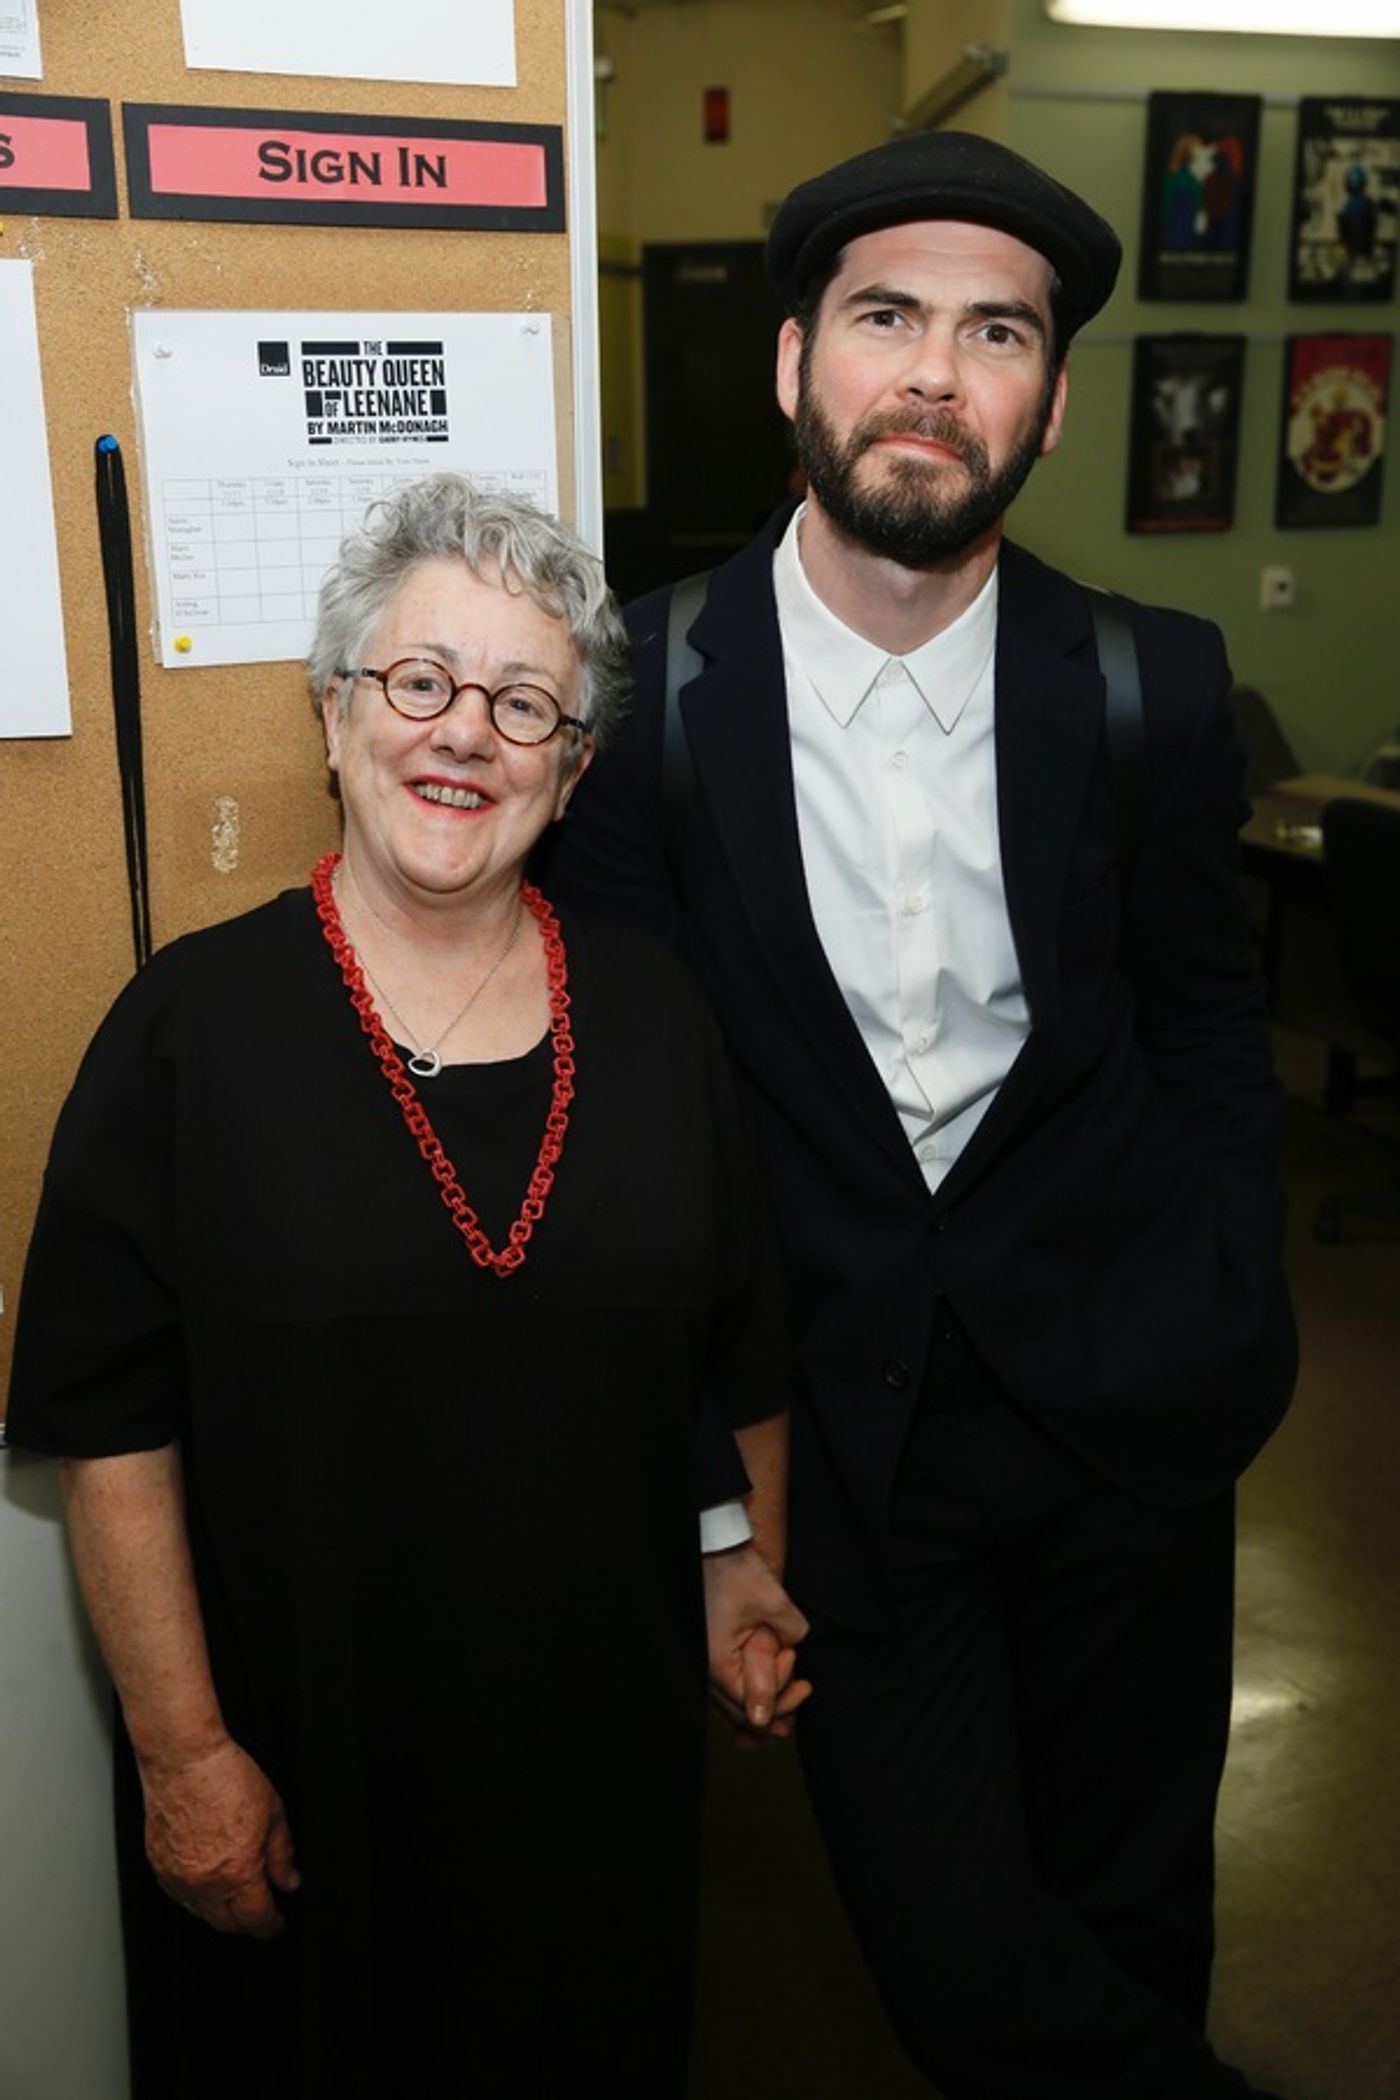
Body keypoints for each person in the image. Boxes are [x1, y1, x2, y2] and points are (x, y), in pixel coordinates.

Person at [542, 131, 1298, 2099]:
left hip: (1131, 1406)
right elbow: (635, 1133)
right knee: (958, 1958)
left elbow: (1213, 1026)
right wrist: (715, 1496)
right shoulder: (645, 693)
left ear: (1046, 403)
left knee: (1134, 1925)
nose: (935, 374)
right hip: (844, 1443)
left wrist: (1234, 1298)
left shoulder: (1153, 683)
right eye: (887, 317)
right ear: (795, 361)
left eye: (997, 333)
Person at [4, 474, 808, 2100]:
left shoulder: (658, 1025)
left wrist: (743, 1578)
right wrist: (182, 1760)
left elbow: (736, 1348)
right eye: (419, 680)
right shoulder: (184, 1038)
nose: (465, 736)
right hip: (298, 1783)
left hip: (597, 1778)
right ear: (333, 711)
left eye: (526, 705)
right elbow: (110, 1425)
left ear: (573, 772)